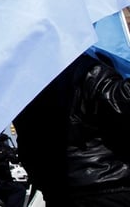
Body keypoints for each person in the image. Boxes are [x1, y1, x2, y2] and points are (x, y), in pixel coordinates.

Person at [14, 52, 130, 206]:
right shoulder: (84, 69)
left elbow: (27, 146)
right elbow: (120, 105)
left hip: (58, 189)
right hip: (107, 183)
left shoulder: (20, 87)